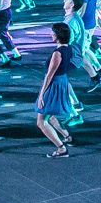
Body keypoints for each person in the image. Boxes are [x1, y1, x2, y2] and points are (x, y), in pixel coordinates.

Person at [34, 21, 76, 158]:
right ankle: (66, 136)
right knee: (50, 114)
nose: (51, 34)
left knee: (41, 121)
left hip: (54, 84)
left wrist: (41, 95)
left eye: (53, 32)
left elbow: (50, 75)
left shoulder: (58, 53)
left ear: (58, 35)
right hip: (62, 81)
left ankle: (61, 148)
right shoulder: (68, 48)